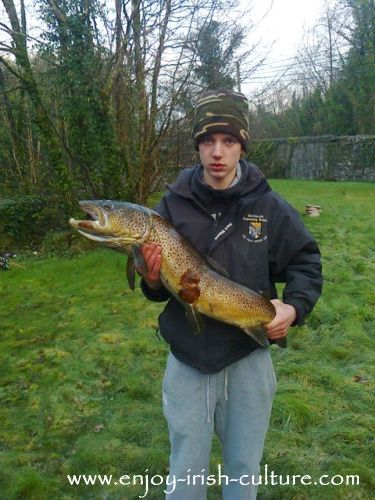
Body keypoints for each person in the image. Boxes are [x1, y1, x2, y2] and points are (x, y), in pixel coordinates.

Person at [137, 89, 323, 499]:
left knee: (243, 468)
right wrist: (152, 280)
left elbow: (305, 261)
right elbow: (157, 291)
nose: (217, 152)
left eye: (229, 141)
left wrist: (293, 307)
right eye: (207, 141)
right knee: (185, 472)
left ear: (242, 146)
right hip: (187, 356)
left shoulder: (269, 206)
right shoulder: (171, 206)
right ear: (197, 146)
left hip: (248, 357)